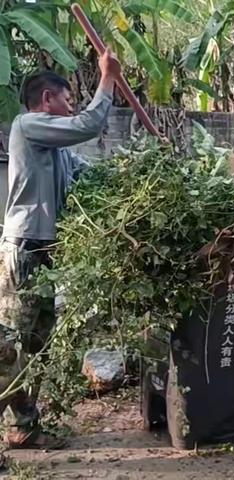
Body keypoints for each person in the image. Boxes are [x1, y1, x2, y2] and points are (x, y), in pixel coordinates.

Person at [0, 48, 121, 449]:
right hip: (23, 251)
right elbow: (87, 124)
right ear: (47, 100)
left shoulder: (57, 150)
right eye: (67, 100)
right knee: (9, 348)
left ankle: (25, 427)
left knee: (37, 347)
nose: (71, 108)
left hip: (45, 255)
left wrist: (143, 174)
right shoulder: (27, 125)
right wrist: (108, 78)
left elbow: (91, 175)